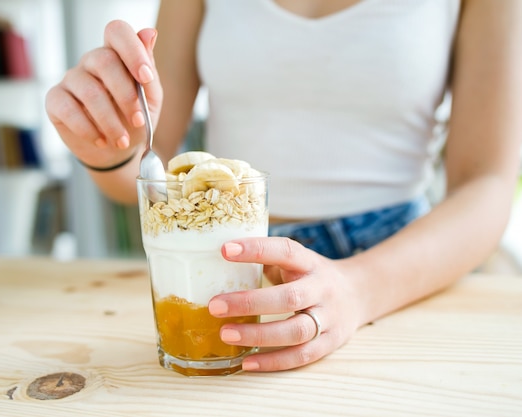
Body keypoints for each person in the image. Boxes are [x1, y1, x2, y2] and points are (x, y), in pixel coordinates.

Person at [45, 0, 522, 372]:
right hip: (224, 264)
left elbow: (488, 182)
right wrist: (111, 152)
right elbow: (151, 177)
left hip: (399, 270)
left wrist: (358, 289)